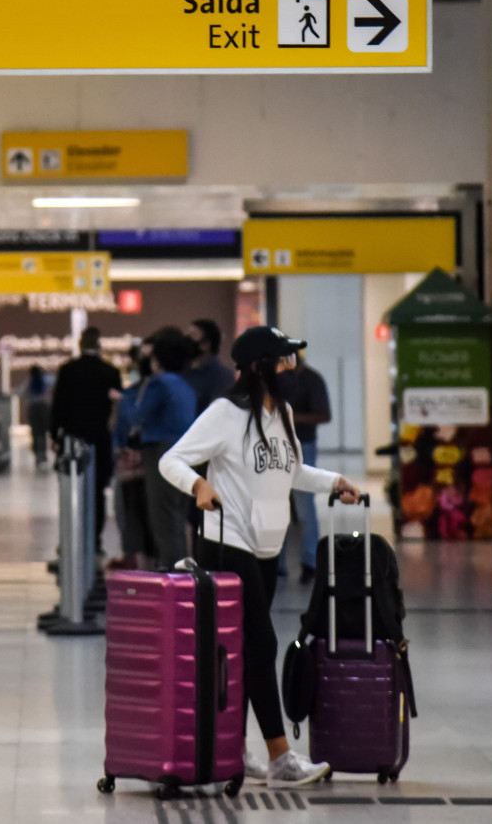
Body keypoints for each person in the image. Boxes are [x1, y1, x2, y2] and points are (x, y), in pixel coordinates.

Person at [160, 325, 360, 788]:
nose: (293, 368)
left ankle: (232, 747)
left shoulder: (283, 412)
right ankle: (279, 758)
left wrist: (333, 482)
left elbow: (290, 470)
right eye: (284, 360)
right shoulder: (224, 413)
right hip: (228, 541)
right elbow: (171, 459)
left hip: (267, 543)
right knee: (262, 644)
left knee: (245, 650)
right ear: (259, 366)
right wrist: (199, 485)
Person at [50, 327, 122, 551]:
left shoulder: (68, 370)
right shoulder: (110, 372)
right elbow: (117, 408)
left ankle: (71, 539)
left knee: (71, 488)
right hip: (100, 439)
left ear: (80, 344)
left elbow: (58, 406)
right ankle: (95, 540)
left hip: (73, 439)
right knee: (98, 493)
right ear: (99, 345)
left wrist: (55, 436)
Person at [135, 328, 199, 568]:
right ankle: (182, 572)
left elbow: (138, 415)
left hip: (161, 450)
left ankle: (174, 576)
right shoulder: (185, 385)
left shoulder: (158, 384)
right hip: (185, 451)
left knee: (164, 520)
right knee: (177, 518)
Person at [277, 352, 332, 583]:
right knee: (278, 505)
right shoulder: (277, 379)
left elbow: (324, 415)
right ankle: (277, 561)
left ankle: (310, 561)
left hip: (302, 446)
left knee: (304, 507)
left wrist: (292, 418)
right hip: (278, 445)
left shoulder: (311, 380)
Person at [109, 340, 153, 570]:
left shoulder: (148, 391)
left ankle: (140, 561)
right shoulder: (132, 392)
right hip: (135, 457)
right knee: (129, 511)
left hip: (141, 457)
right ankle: (137, 559)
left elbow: (126, 423)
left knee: (132, 512)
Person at [184, 318, 236, 415]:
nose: (186, 339)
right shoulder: (183, 371)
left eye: (192, 336)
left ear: (206, 344)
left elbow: (217, 413)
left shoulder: (222, 377)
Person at [17, 365, 54, 469]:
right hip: (44, 408)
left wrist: (29, 399)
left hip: (34, 408)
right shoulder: (46, 381)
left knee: (36, 432)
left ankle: (38, 454)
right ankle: (42, 454)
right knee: (42, 432)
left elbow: (20, 394)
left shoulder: (29, 382)